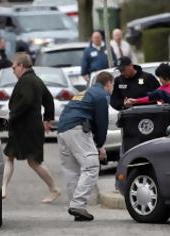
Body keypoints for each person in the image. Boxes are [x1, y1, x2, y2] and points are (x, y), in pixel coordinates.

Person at [2, 52, 60, 203]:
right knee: (10, 156)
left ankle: (54, 189)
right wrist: (48, 119)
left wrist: (12, 115)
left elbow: (26, 101)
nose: (13, 70)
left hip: (27, 127)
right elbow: (49, 99)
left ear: (21, 66)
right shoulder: (36, 80)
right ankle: (2, 187)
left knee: (33, 161)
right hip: (25, 127)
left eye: (14, 67)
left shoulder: (26, 81)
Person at [57, 71, 114, 221]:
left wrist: (96, 144)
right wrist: (100, 145)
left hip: (63, 130)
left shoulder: (84, 93)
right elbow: (102, 123)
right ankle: (77, 204)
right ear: (108, 83)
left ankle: (75, 206)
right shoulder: (101, 96)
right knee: (91, 166)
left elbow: (91, 119)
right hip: (77, 129)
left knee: (72, 170)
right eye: (112, 84)